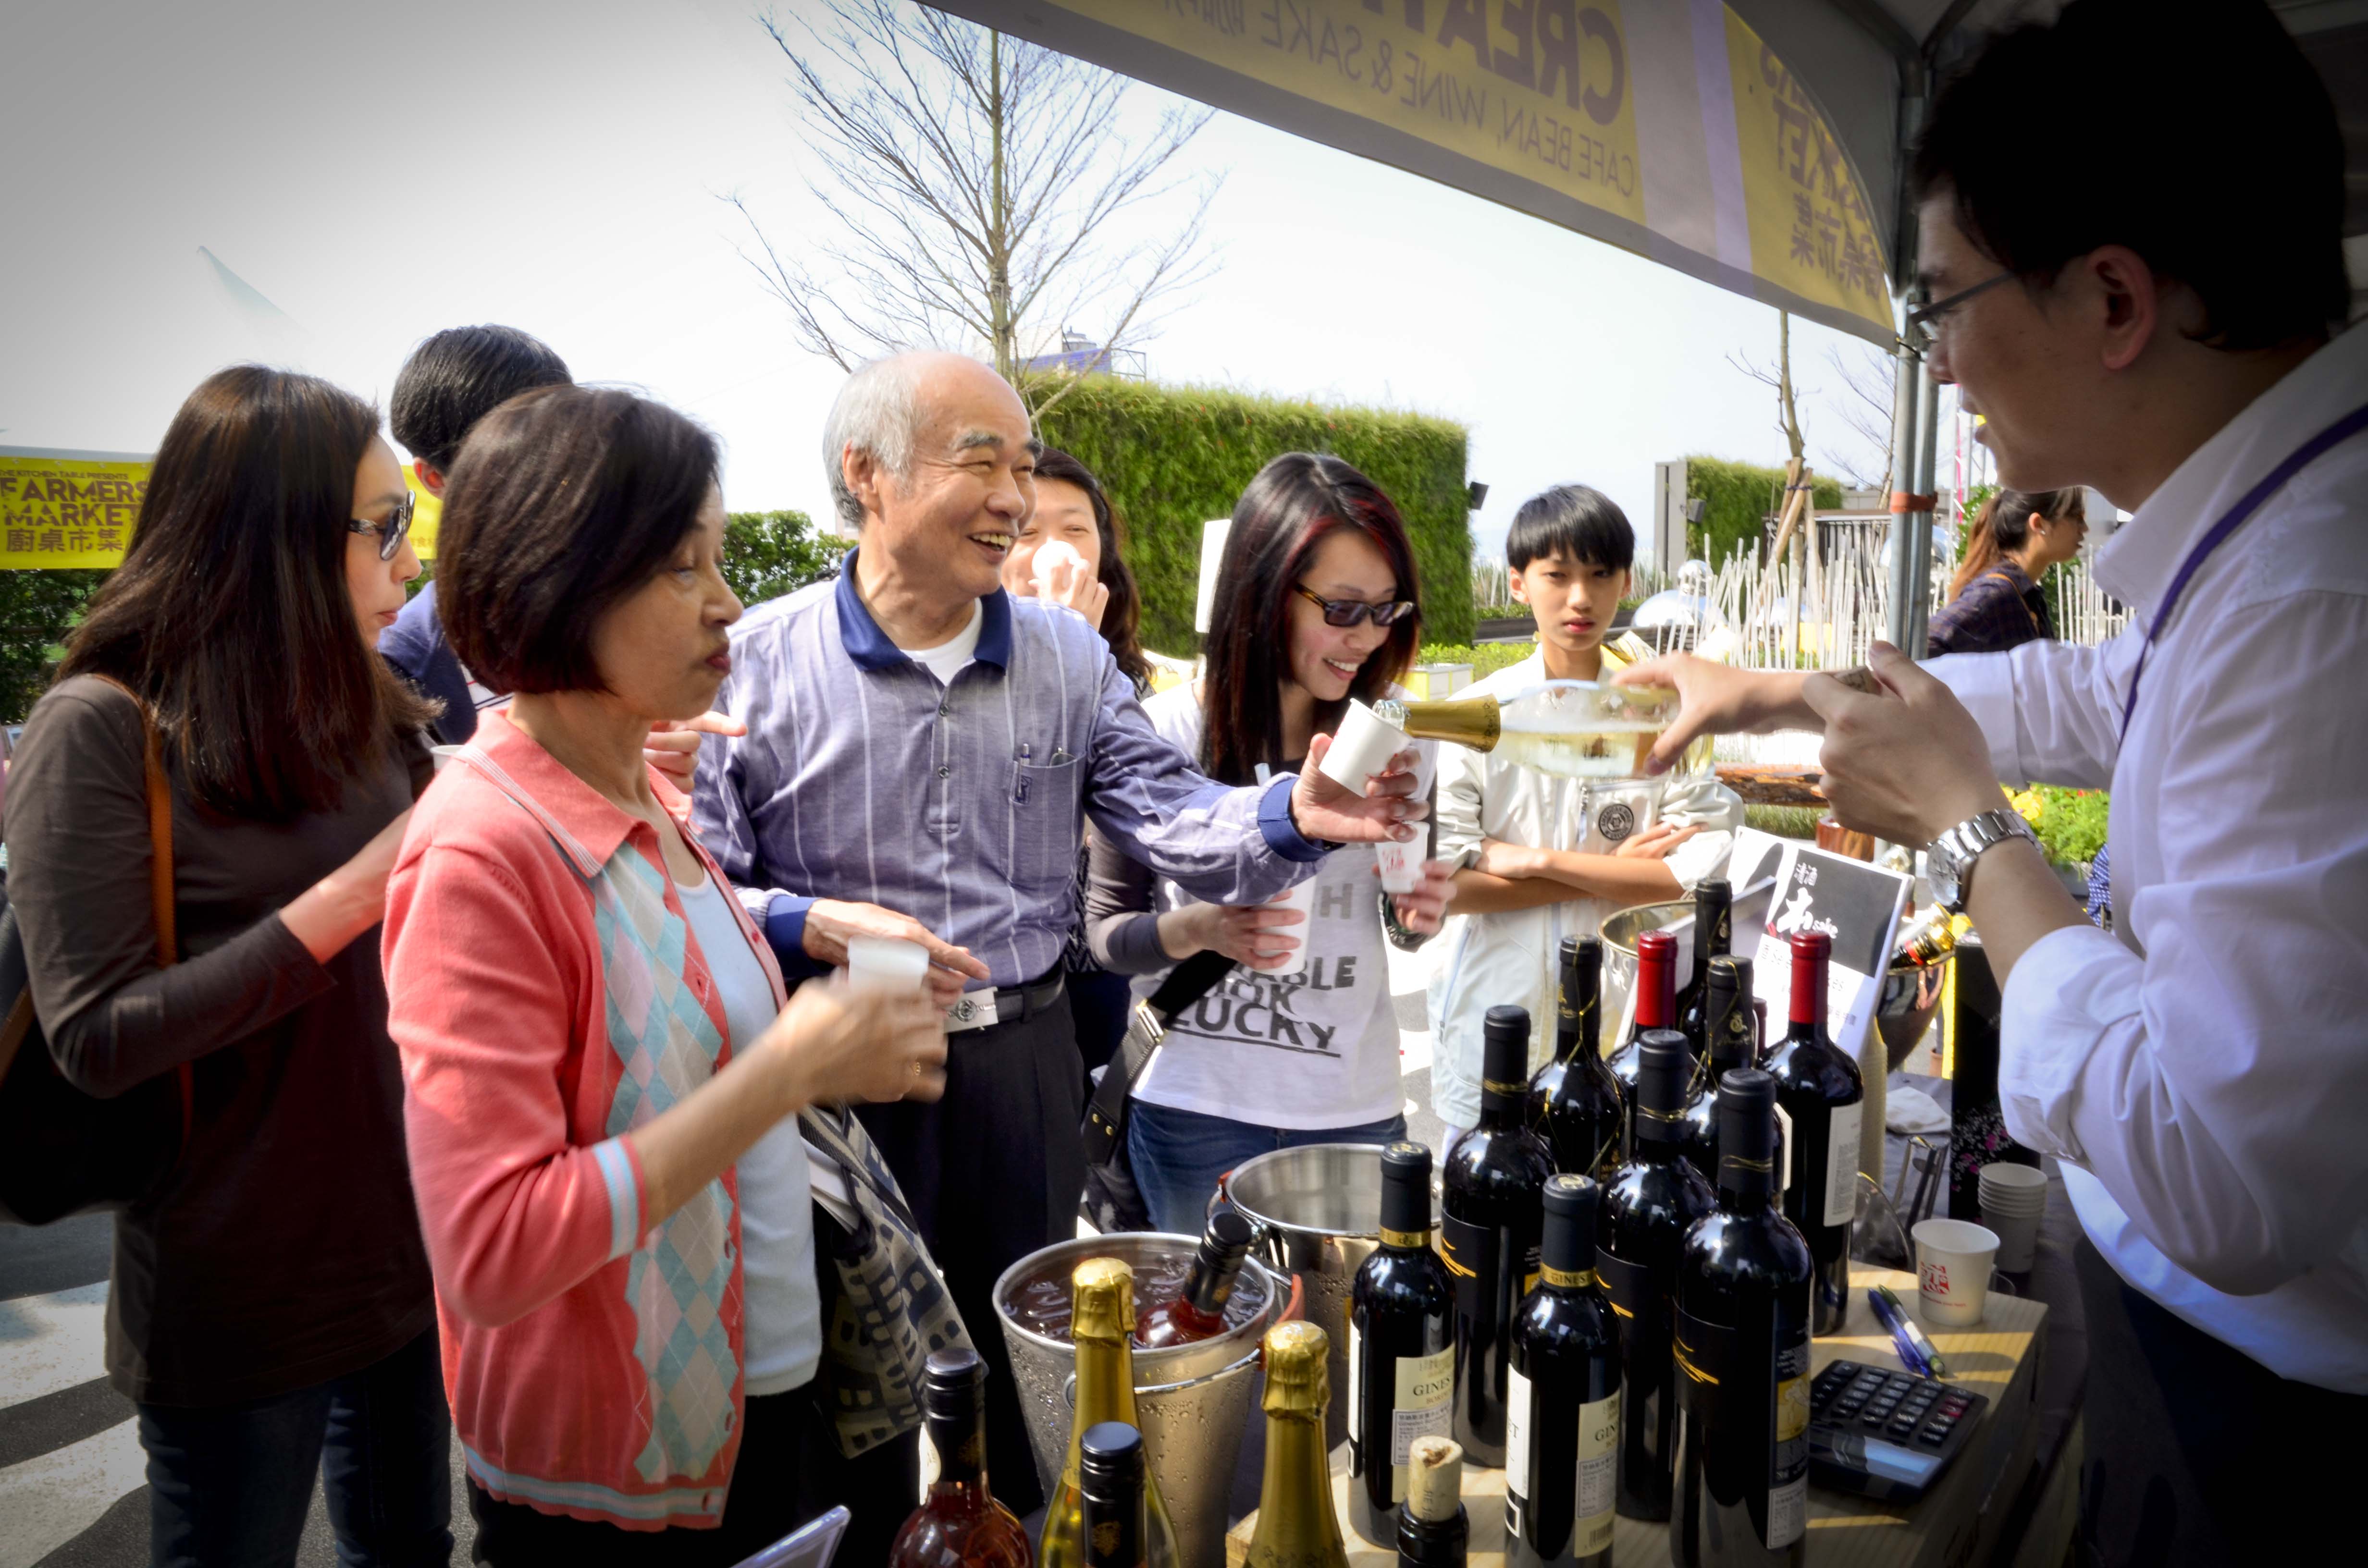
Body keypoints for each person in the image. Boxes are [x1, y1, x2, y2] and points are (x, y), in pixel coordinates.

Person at [1618, 3, 2366, 1561]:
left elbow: (2219, 1173)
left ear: (2112, 298)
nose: (1939, 357)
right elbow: (2096, 694)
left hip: (2270, 1432)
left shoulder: (2315, 596)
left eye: (1943, 300)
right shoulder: (2274, 531)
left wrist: (1970, 837)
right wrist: (1771, 689)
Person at [690, 350, 1425, 1512]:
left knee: (1037, 1381)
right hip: (835, 1073)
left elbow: (1173, 815)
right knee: (853, 1398)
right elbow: (696, 886)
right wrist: (803, 920)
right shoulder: (753, 666)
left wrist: (1290, 814)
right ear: (867, 474)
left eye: (1025, 467)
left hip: (1020, 1068)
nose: (1014, 499)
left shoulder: (1068, 660)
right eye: (980, 462)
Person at [384, 383, 950, 1564]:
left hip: (769, 1411)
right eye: (681, 567)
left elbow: (680, 1048)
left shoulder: (640, 790)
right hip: (616, 1486)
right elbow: (490, 1250)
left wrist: (828, 1034)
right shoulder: (481, 849)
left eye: (720, 559)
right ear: (555, 580)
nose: (727, 601)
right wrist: (787, 1070)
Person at [4, 367, 452, 1565]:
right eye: (384, 526)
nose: (410, 561)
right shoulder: (100, 726)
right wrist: (349, 896)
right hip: (234, 1290)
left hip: (404, 1256)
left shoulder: (369, 708)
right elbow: (98, 1037)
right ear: (275, 534)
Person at [1085, 453, 1457, 1232]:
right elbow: (1102, 934)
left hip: (1354, 1105)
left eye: (1386, 610)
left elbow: (1402, 915)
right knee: (1213, 1314)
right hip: (1194, 1107)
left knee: (1352, 1312)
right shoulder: (1162, 734)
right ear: (1263, 590)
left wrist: (1418, 913)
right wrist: (1199, 928)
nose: (1366, 638)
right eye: (1342, 609)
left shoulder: (1395, 734)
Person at [1425, 485, 1741, 1137]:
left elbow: (1699, 873)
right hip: (1497, 1018)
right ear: (1518, 584)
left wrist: (1532, 860)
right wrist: (1611, 874)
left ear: (1625, 582)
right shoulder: (1475, 718)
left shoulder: (1663, 717)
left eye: (1600, 575)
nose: (1580, 597)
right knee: (1490, 1187)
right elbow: (1447, 888)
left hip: (1623, 1025)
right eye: (1557, 575)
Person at [998, 447, 1154, 1086]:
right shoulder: (952, 672)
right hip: (995, 979)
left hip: (1093, 964)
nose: (1053, 551)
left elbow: (1115, 821)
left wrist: (1077, 650)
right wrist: (1057, 644)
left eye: (1074, 530)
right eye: (1027, 531)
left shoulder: (1126, 678)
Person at [380, 323, 572, 743]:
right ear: (434, 478)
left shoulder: (625, 602)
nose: (554, 474)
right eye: (514, 457)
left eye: (567, 441)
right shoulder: (403, 664)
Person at [1925, 487, 2087, 656]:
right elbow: (1927, 644)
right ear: (2038, 524)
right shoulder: (1995, 594)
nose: (2084, 528)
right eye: (2077, 517)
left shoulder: (2026, 596)